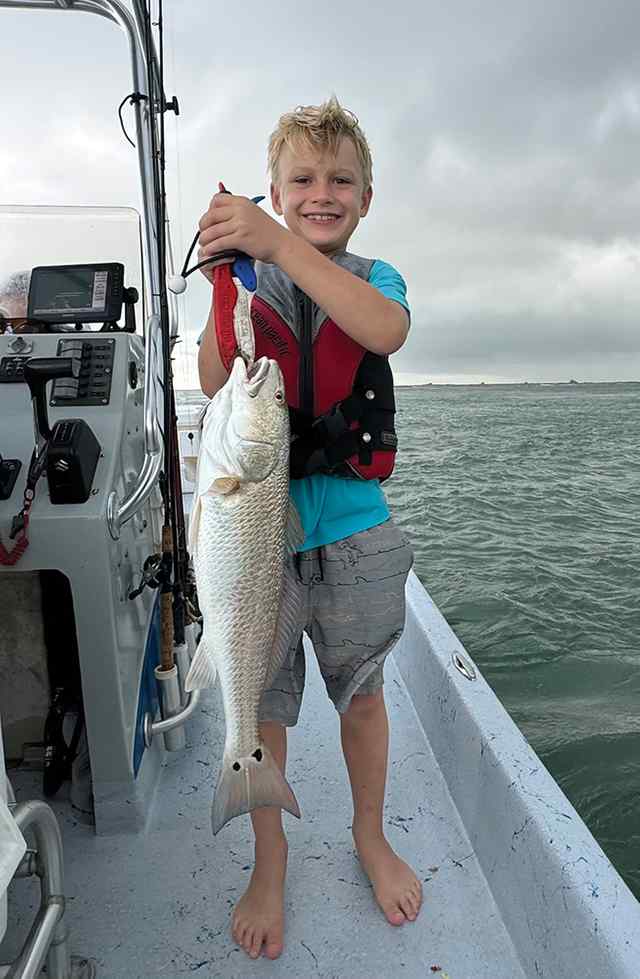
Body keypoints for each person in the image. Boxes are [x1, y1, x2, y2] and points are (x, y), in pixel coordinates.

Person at [197, 95, 421, 961]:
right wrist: (227, 279)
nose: (321, 194)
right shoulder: (254, 280)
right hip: (259, 533)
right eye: (301, 180)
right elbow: (216, 378)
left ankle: (369, 832)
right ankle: (271, 856)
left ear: (366, 198)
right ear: (274, 188)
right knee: (262, 704)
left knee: (362, 696)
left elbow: (384, 331)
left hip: (356, 531)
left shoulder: (377, 278)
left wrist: (277, 243)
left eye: (340, 181)